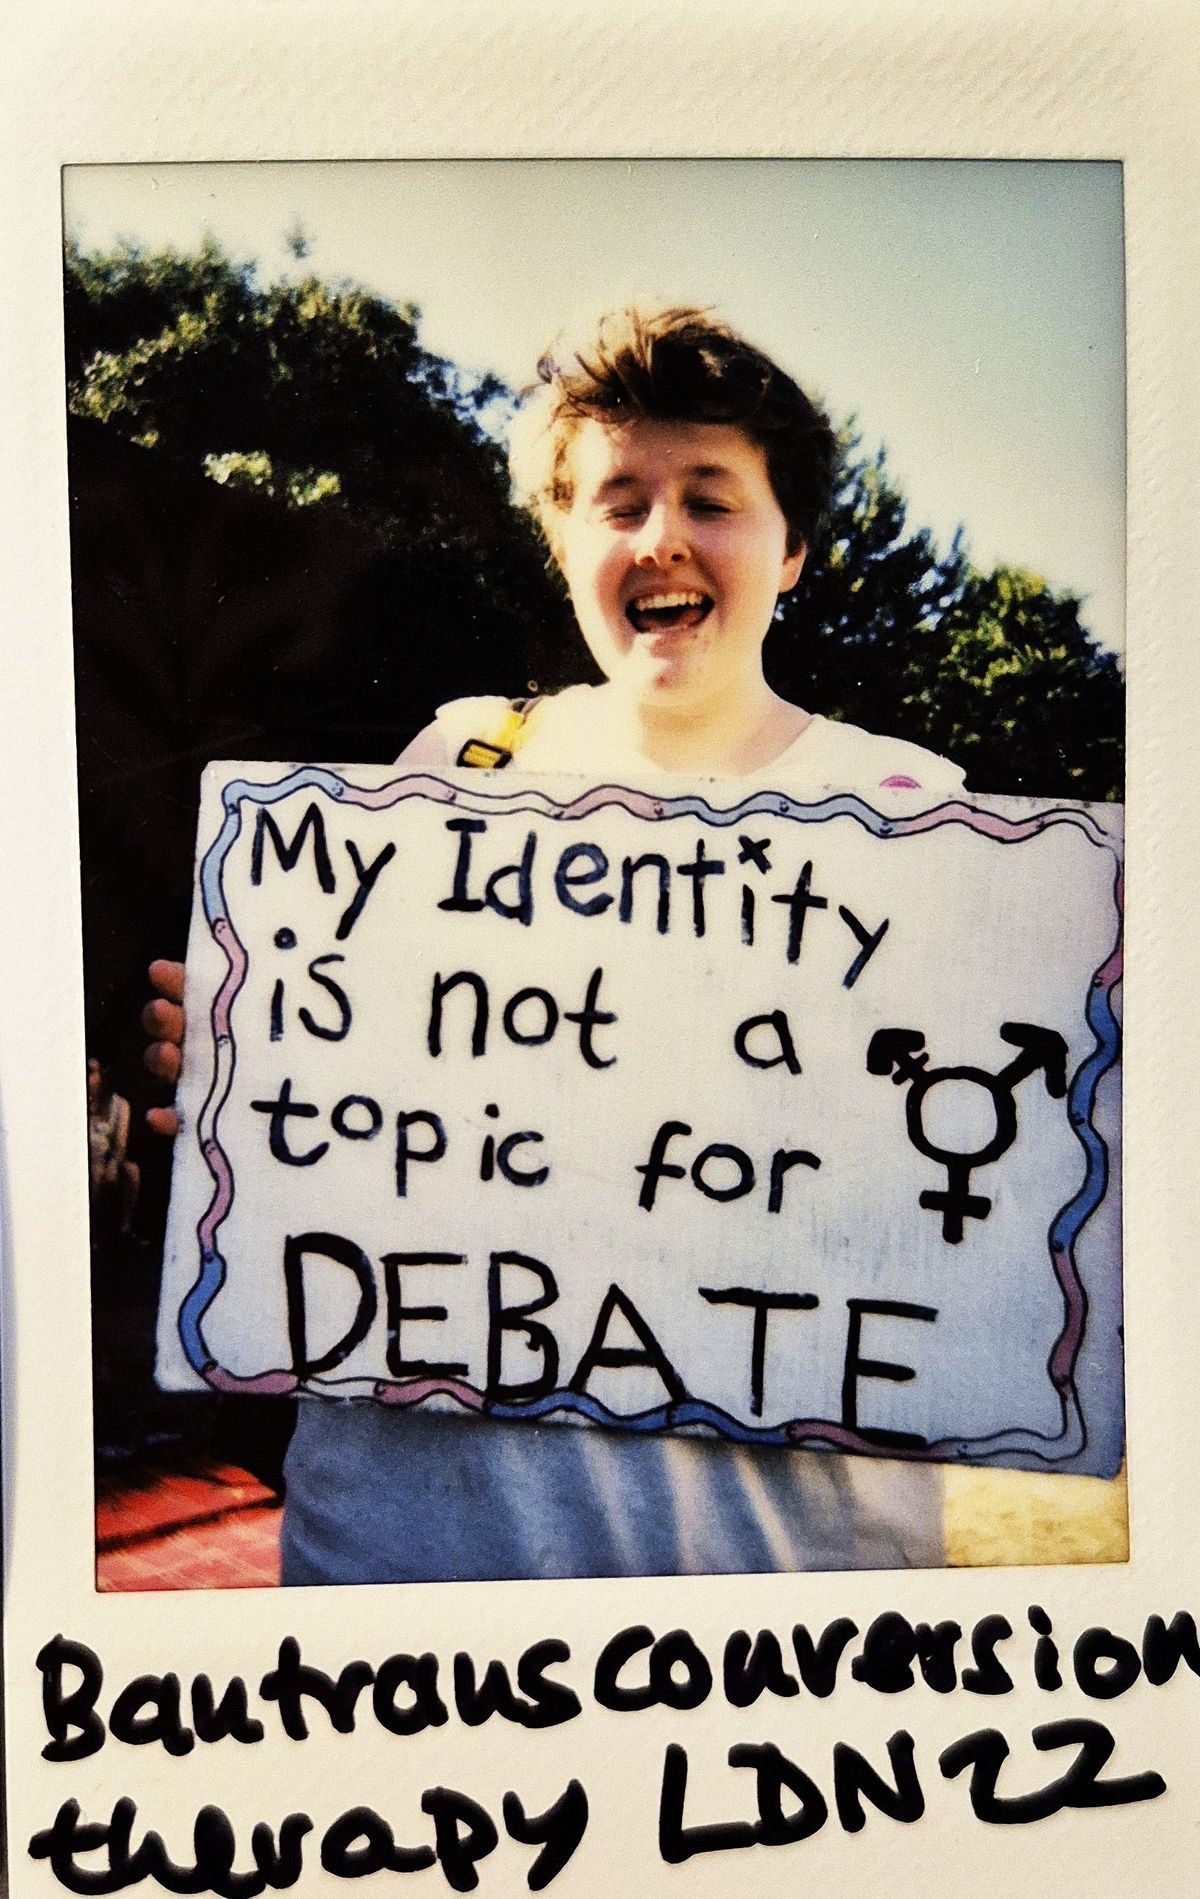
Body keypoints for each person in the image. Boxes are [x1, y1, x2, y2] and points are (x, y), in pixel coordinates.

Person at [145, 304, 965, 1583]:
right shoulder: (452, 765)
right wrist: (244, 1066)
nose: (662, 539)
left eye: (712, 497)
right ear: (563, 538)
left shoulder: (916, 815)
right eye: (618, 499)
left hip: (774, 1603)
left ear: (792, 545)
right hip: (409, 1579)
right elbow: (347, 1129)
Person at [87, 1055, 141, 1240]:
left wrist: (112, 1164)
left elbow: (120, 1144)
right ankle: (91, 1233)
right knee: (93, 1175)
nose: (87, 1078)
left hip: (108, 1158)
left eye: (90, 1072)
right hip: (87, 1161)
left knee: (132, 1172)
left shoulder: (119, 1105)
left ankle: (124, 1228)